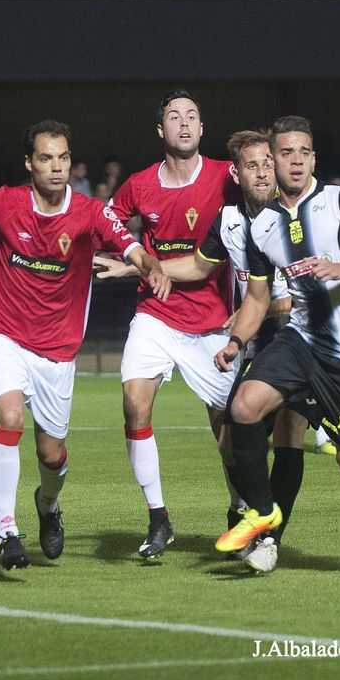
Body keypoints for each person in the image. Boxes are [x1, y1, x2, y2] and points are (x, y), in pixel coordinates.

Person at [0, 120, 169, 570]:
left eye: (64, 158)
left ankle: (48, 507)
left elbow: (131, 246)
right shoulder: (2, 202)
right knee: (8, 416)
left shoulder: (89, 212)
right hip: (2, 334)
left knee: (51, 455)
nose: (56, 167)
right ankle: (7, 531)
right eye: (47, 158)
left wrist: (149, 264)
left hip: (56, 352)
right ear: (29, 163)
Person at [96, 130, 309, 572]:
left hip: (308, 343)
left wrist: (252, 312)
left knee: (339, 454)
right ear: (238, 174)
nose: (263, 170)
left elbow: (294, 298)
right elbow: (197, 264)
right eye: (253, 165)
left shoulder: (295, 217)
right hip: (242, 338)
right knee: (251, 433)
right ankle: (255, 532)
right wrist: (133, 264)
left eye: (268, 162)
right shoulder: (230, 218)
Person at [212, 115, 340, 574]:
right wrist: (237, 340)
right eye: (285, 153)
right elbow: (259, 296)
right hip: (301, 342)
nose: (295, 160)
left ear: (314, 158)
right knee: (243, 406)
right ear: (272, 160)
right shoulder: (261, 226)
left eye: (303, 151)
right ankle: (262, 512)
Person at [106, 90, 240, 559]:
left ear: (202, 130)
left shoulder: (228, 176)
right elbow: (109, 220)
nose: (184, 124)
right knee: (133, 402)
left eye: (192, 117)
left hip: (214, 320)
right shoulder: (140, 185)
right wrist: (132, 257)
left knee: (228, 428)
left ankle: (241, 509)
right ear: (160, 130)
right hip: (156, 315)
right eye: (174, 117)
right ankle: (158, 517)